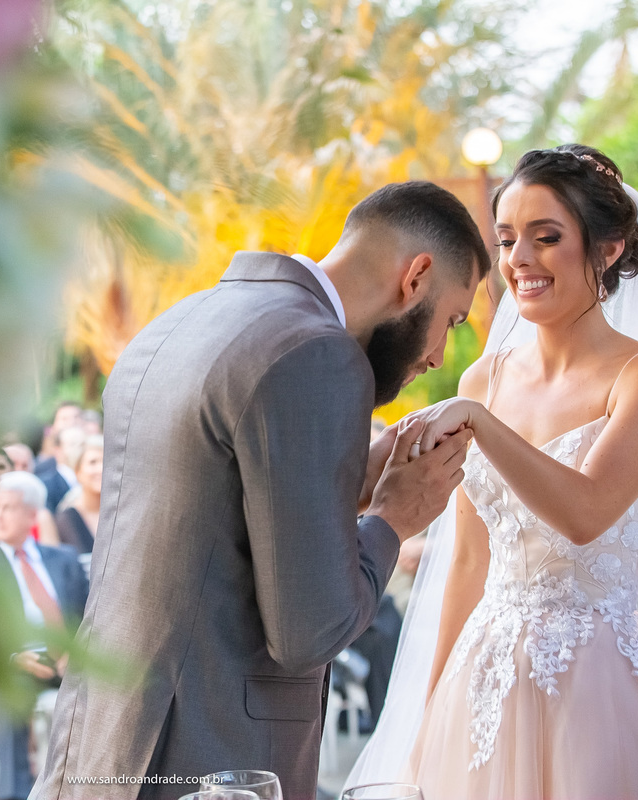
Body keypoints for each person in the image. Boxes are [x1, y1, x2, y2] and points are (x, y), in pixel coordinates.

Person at [31, 180, 489, 800]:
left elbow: (207, 513)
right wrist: (392, 518)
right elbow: (311, 632)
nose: (438, 355)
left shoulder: (181, 321)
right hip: (214, 757)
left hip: (100, 736)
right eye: (452, 320)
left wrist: (352, 482)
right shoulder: (320, 354)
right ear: (416, 277)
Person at [347, 145, 638, 799]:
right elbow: (467, 563)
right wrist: (431, 714)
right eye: (507, 239)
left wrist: (481, 425)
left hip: (598, 696)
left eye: (546, 238)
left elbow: (586, 512)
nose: (519, 260)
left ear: (607, 250)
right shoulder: (484, 378)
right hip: (484, 688)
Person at [0, 472, 89, 800]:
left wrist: (77, 652)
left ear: (32, 514)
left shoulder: (63, 560)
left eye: (8, 507)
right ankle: (15, 793)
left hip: (68, 664)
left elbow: (91, 619)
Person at [56, 436, 102, 554]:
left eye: (106, 462)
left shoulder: (125, 514)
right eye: (93, 462)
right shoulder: (65, 519)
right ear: (77, 471)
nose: (101, 469)